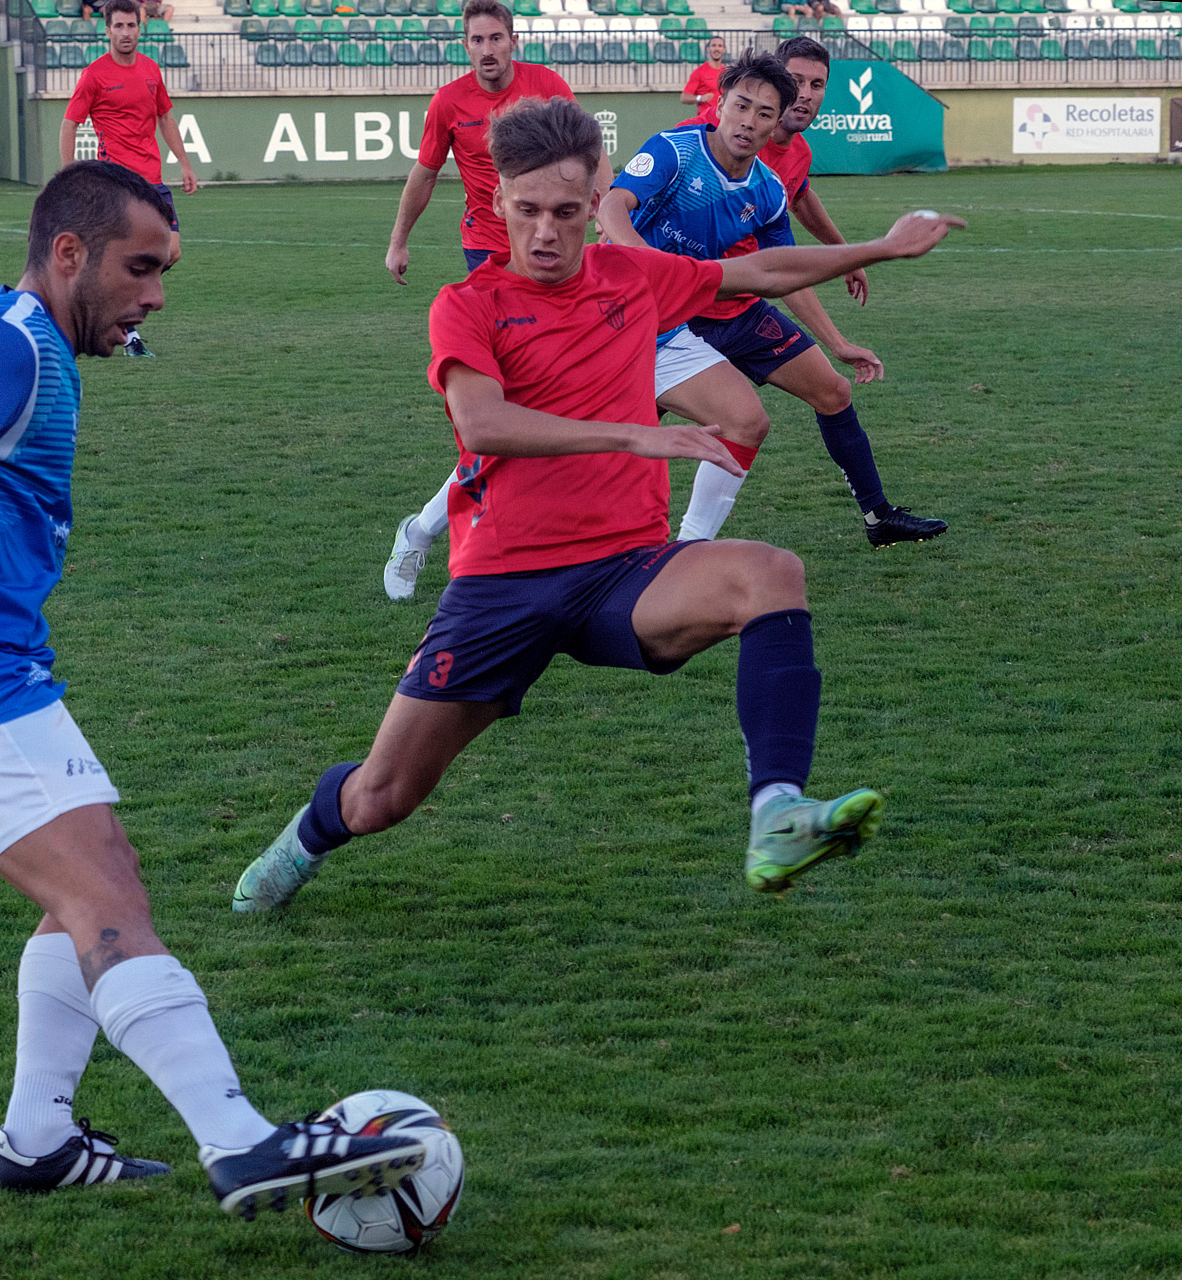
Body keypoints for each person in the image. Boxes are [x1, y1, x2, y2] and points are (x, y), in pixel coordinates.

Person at [0, 161, 427, 1215]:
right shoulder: (8, 338)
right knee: (105, 901)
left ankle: (36, 1137)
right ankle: (239, 1141)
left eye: (164, 271)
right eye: (140, 268)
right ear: (68, 253)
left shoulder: (28, 343)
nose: (154, 294)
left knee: (95, 885)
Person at [231, 99, 962, 915]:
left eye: (569, 213)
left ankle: (778, 813)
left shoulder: (631, 277)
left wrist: (882, 249)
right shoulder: (467, 304)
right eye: (529, 209)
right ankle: (304, 838)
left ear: (596, 203)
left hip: (622, 571)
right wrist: (630, 437)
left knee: (769, 573)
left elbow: (755, 274)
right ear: (500, 202)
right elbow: (482, 422)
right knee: (382, 799)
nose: (547, 232)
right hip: (502, 586)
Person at [599, 47, 947, 547]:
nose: (805, 94)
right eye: (797, 82)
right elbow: (615, 205)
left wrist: (838, 333)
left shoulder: (777, 174)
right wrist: (647, 263)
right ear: (722, 103)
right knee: (613, 434)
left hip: (738, 308)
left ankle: (876, 517)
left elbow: (783, 266)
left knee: (828, 393)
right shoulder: (686, 144)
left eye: (816, 85)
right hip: (668, 315)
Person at [380, 0, 611, 601]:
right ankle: (443, 531)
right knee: (501, 411)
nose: (486, 49)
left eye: (495, 38)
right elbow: (425, 173)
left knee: (546, 401)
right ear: (466, 45)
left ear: (514, 41)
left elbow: (590, 157)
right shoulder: (448, 103)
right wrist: (399, 240)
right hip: (488, 259)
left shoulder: (548, 88)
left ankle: (433, 527)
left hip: (559, 256)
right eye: (475, 39)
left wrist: (606, 216)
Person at [61, 0, 198, 357]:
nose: (125, 33)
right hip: (117, 180)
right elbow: (69, 123)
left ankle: (107, 303)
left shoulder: (151, 70)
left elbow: (165, 118)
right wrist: (69, 173)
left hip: (152, 179)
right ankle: (126, 328)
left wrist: (183, 162)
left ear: (141, 28)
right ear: (107, 31)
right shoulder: (95, 75)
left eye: (131, 26)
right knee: (128, 254)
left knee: (171, 251)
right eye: (118, 27)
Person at [679, 37, 727, 127]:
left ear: (724, 50)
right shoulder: (699, 72)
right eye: (713, 45)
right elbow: (684, 97)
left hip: (724, 121)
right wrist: (700, 98)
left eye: (720, 46)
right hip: (706, 123)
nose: (717, 49)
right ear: (708, 49)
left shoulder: (726, 72)